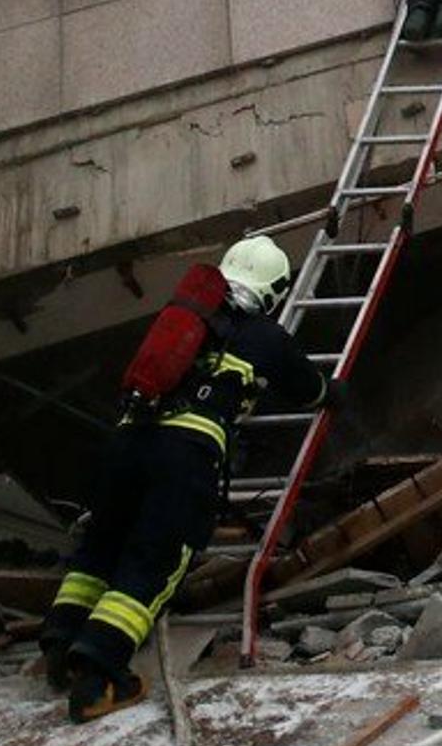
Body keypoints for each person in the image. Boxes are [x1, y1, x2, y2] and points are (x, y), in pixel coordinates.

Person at [39, 235, 330, 721]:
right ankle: (99, 677)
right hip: (183, 454)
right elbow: (307, 389)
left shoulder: (185, 321)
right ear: (275, 289)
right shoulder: (264, 335)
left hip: (126, 441)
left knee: (102, 547)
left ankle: (60, 645)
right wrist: (332, 392)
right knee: (154, 562)